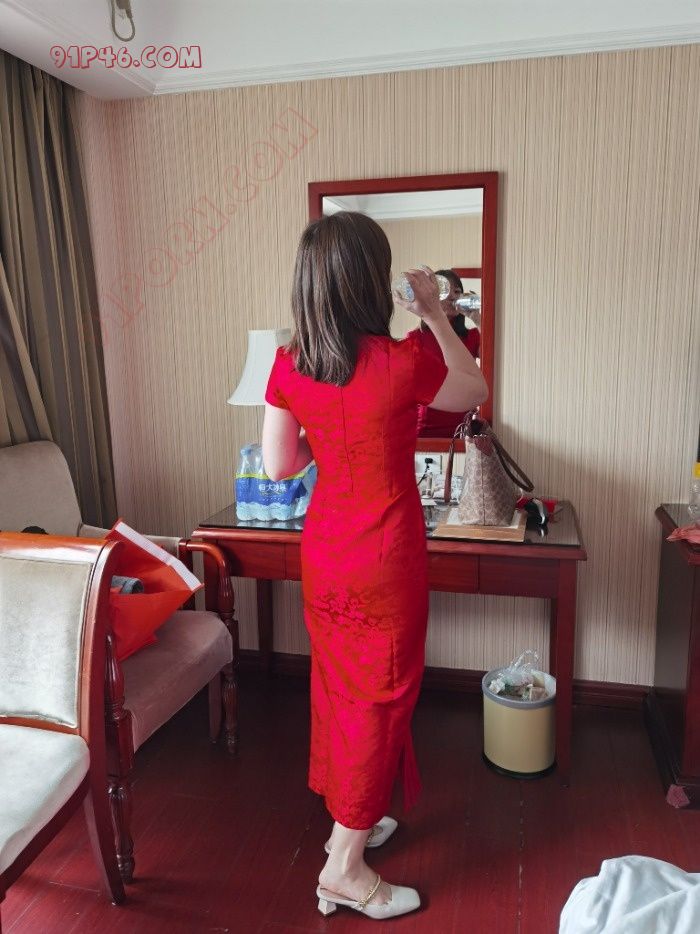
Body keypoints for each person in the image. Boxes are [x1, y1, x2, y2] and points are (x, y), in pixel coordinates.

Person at [262, 212, 487, 920]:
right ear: (371, 281)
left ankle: (350, 820)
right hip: (385, 559)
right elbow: (473, 391)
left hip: (326, 553)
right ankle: (343, 867)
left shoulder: (290, 363)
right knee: (382, 700)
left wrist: (330, 441)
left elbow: (279, 464)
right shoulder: (401, 361)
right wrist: (436, 314)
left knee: (341, 690)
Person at [413, 268, 481, 438]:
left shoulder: (472, 337)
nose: (452, 296)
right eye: (445, 291)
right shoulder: (415, 339)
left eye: (457, 291)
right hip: (426, 428)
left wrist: (478, 319)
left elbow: (494, 357)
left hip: (463, 428)